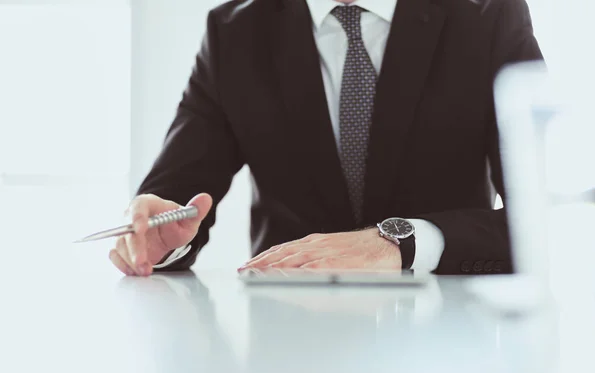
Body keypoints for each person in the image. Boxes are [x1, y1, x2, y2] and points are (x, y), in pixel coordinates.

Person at [109, 0, 544, 277]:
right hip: (288, 334)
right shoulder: (234, 31)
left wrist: (403, 243)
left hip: (448, 335)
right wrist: (161, 238)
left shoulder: (489, 15)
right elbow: (177, 199)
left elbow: (542, 219)